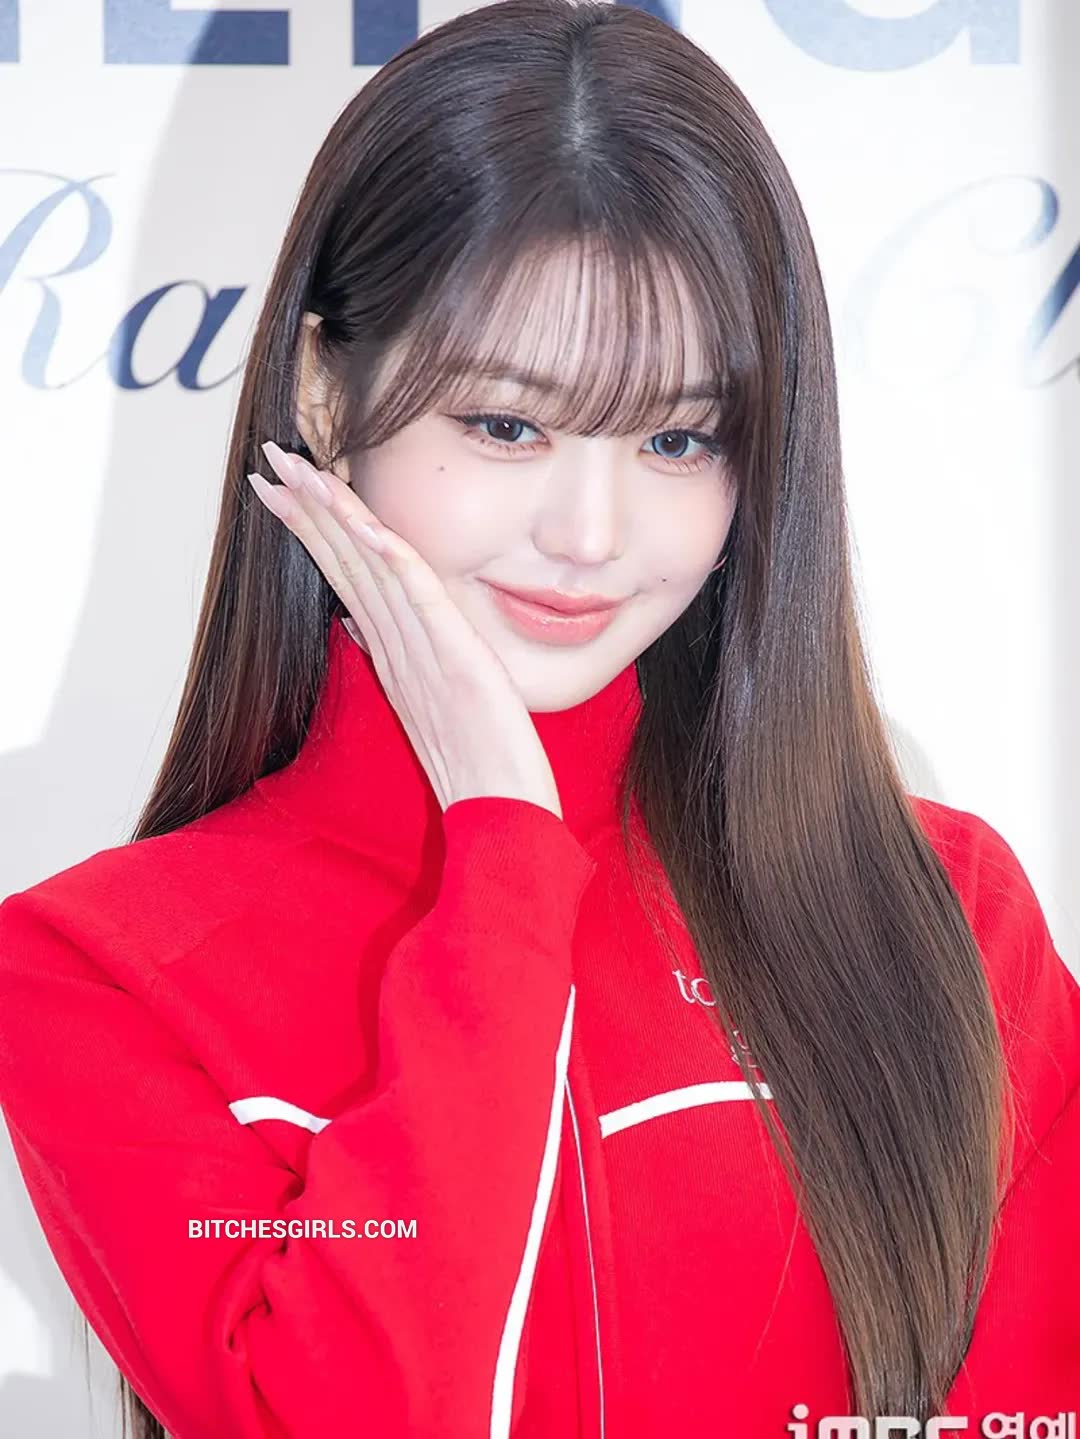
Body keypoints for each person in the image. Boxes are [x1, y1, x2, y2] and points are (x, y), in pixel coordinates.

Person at [1, 1, 1077, 1436]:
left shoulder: (940, 913)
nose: (590, 534)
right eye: (506, 425)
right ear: (326, 391)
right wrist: (503, 853)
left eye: (677, 439)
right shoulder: (107, 973)